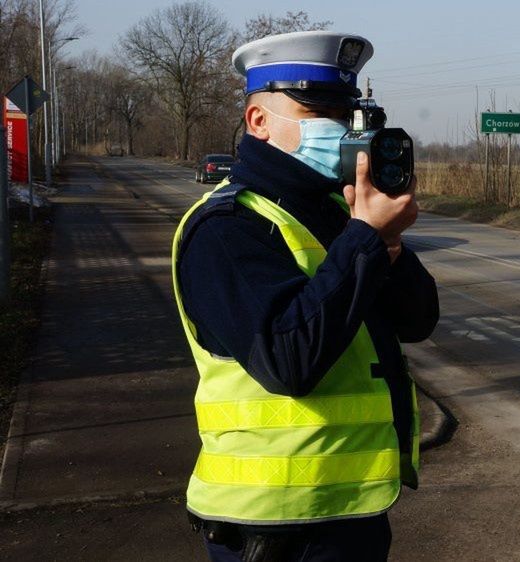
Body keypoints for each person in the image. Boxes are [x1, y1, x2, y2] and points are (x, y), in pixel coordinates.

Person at [170, 31, 439, 561]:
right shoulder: (227, 227)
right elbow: (288, 361)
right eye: (317, 110)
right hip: (272, 528)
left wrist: (384, 238)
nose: (336, 126)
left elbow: (417, 319)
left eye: (346, 112)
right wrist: (364, 239)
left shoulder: (336, 212)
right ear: (259, 122)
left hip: (351, 510)